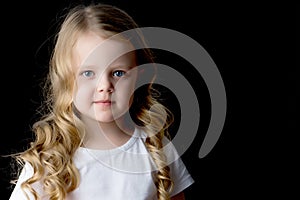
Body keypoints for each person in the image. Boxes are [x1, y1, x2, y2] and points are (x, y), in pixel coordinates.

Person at [9, 2, 194, 200]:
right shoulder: (48, 161)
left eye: (118, 72)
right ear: (68, 79)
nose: (104, 85)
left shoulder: (155, 148)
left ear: (139, 77)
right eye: (88, 73)